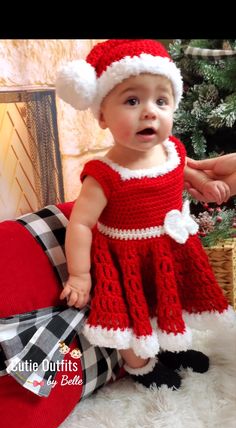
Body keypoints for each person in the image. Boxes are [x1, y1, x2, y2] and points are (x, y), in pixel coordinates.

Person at [56, 39, 236, 390]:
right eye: (132, 100)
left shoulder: (171, 150)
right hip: (126, 259)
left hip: (167, 251)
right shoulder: (104, 173)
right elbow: (81, 222)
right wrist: (79, 275)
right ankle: (140, 365)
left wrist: (205, 183)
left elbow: (186, 170)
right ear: (103, 115)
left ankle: (171, 348)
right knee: (130, 314)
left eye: (161, 100)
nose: (150, 111)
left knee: (167, 305)